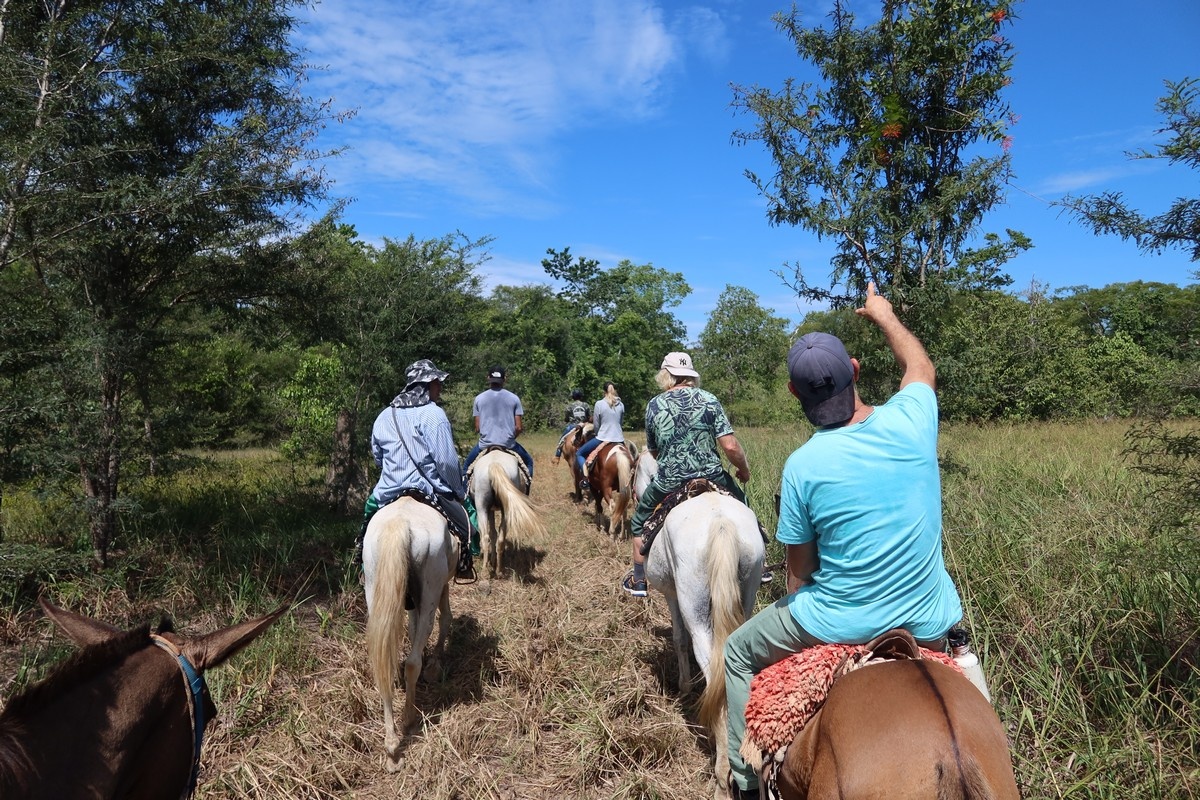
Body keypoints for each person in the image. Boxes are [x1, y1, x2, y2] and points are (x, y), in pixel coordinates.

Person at [722, 283, 965, 800]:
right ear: (854, 369)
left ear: (794, 393)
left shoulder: (802, 467)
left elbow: (798, 576)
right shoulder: (912, 418)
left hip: (837, 620)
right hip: (927, 621)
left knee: (738, 651)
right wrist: (884, 314)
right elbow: (920, 367)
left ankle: (743, 783)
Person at [621, 352, 751, 598]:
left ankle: (639, 580)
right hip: (713, 476)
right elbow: (731, 446)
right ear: (691, 376)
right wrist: (743, 470)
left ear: (666, 375)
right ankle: (760, 565)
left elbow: (655, 451)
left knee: (638, 522)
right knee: (745, 509)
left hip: (670, 480)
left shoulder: (655, 405)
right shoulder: (710, 400)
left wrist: (674, 463)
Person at [358, 358, 474, 578]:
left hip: (387, 491)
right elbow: (447, 462)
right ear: (425, 385)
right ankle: (465, 563)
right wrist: (459, 491)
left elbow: (378, 458)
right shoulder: (434, 414)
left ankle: (363, 566)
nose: (440, 387)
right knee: (469, 527)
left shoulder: (384, 415)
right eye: (437, 382)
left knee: (365, 529)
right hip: (431, 491)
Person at [461, 364, 535, 486]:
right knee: (529, 463)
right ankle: (525, 493)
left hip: (484, 445)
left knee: (465, 468)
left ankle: (465, 498)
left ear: (488, 378)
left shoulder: (479, 399)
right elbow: (519, 427)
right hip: (508, 444)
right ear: (504, 379)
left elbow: (478, 427)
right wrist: (509, 438)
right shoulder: (514, 398)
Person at [575, 381, 624, 489]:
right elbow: (620, 422)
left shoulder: (599, 404)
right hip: (619, 439)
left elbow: (596, 424)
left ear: (604, 391)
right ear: (614, 390)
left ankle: (585, 479)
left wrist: (598, 433)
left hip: (603, 438)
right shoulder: (621, 404)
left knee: (579, 453)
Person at [554, 388, 592, 460]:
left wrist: (566, 419)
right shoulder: (586, 405)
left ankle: (557, 455)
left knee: (562, 439)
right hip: (584, 425)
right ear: (581, 396)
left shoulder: (570, 406)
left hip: (573, 426)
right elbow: (589, 417)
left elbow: (566, 418)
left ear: (573, 396)